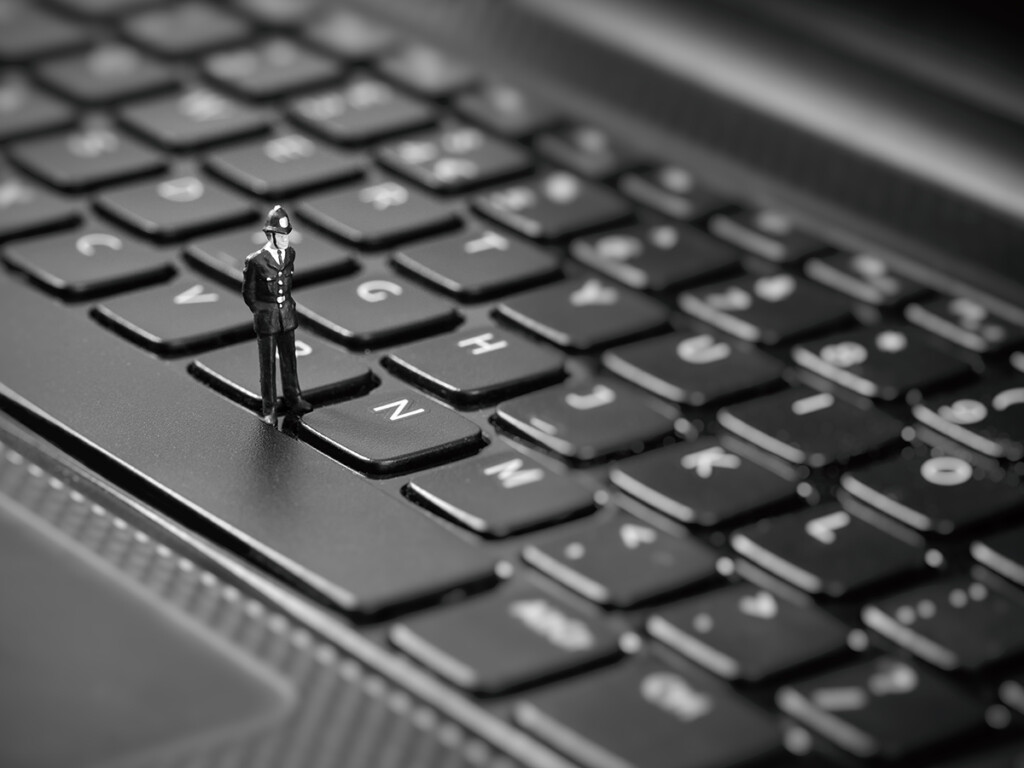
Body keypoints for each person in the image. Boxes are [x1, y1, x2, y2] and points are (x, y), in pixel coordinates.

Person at [241, 205, 312, 423]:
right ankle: (269, 407)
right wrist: (262, 311)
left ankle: (294, 397)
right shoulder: (256, 260)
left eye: (287, 234)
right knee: (268, 365)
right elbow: (249, 293)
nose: (285, 239)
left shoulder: (290, 254)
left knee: (290, 359)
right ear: (270, 235)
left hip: (287, 316)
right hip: (267, 318)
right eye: (281, 235)